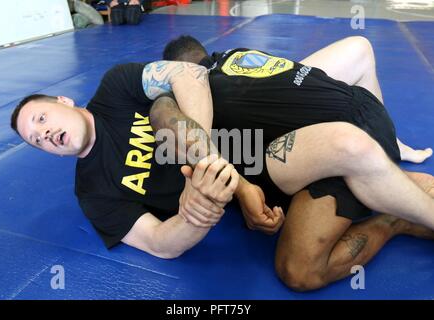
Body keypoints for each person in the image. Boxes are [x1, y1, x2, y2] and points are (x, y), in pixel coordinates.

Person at [10, 39, 433, 290]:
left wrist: (208, 161)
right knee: (301, 263)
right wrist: (198, 208)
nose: (43, 134)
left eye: (41, 118)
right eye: (35, 139)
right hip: (269, 162)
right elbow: (160, 242)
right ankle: (393, 196)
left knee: (164, 111)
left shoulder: (116, 88)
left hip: (257, 148)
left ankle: (389, 167)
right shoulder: (93, 190)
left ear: (62, 101)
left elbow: (188, 76)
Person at [161, 35, 434, 290]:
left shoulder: (204, 96)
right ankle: (393, 177)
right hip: (369, 111)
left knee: (298, 270)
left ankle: (394, 218)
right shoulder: (237, 55)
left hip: (345, 146)